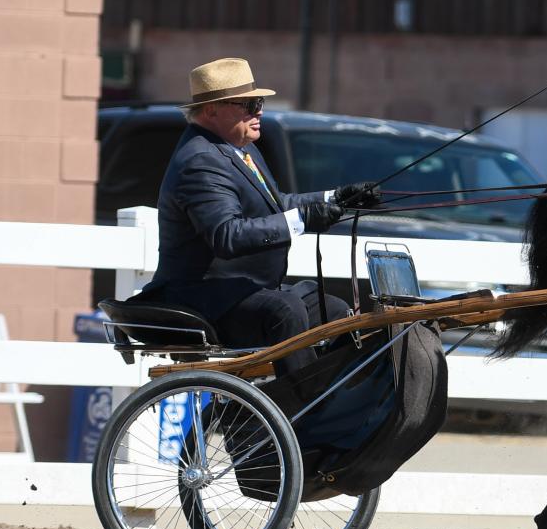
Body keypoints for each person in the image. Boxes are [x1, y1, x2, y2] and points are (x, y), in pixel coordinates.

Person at [136, 58, 382, 376]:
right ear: (212, 110)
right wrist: (304, 220)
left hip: (243, 291)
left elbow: (276, 204)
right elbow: (228, 235)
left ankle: (336, 399)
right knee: (284, 309)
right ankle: (300, 410)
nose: (260, 111)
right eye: (250, 104)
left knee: (332, 309)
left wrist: (337, 198)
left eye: (260, 102)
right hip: (203, 297)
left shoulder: (242, 148)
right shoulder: (200, 160)